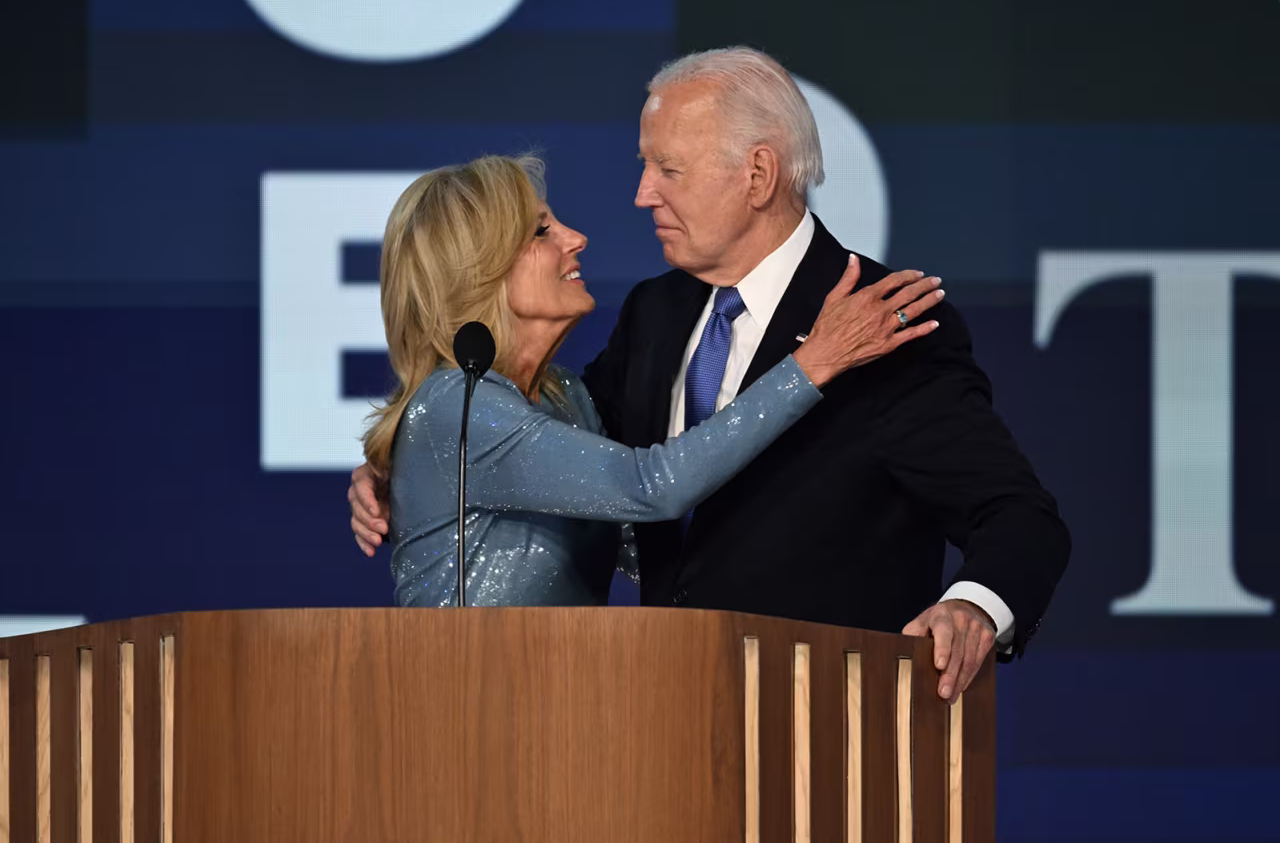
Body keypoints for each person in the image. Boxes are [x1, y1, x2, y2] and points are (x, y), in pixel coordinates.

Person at [352, 48, 1070, 702]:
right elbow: (565, 457)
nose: (641, 195)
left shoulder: (881, 329)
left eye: (668, 169)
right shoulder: (654, 315)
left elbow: (1018, 515)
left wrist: (975, 605)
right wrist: (403, 471)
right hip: (655, 730)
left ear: (756, 174)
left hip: (825, 733)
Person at [361, 154, 943, 609]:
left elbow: (651, 545)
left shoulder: (567, 401)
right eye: (541, 232)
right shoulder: (457, 408)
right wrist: (813, 363)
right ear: (477, 270)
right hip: (459, 718)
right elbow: (653, 487)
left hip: (559, 712)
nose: (575, 238)